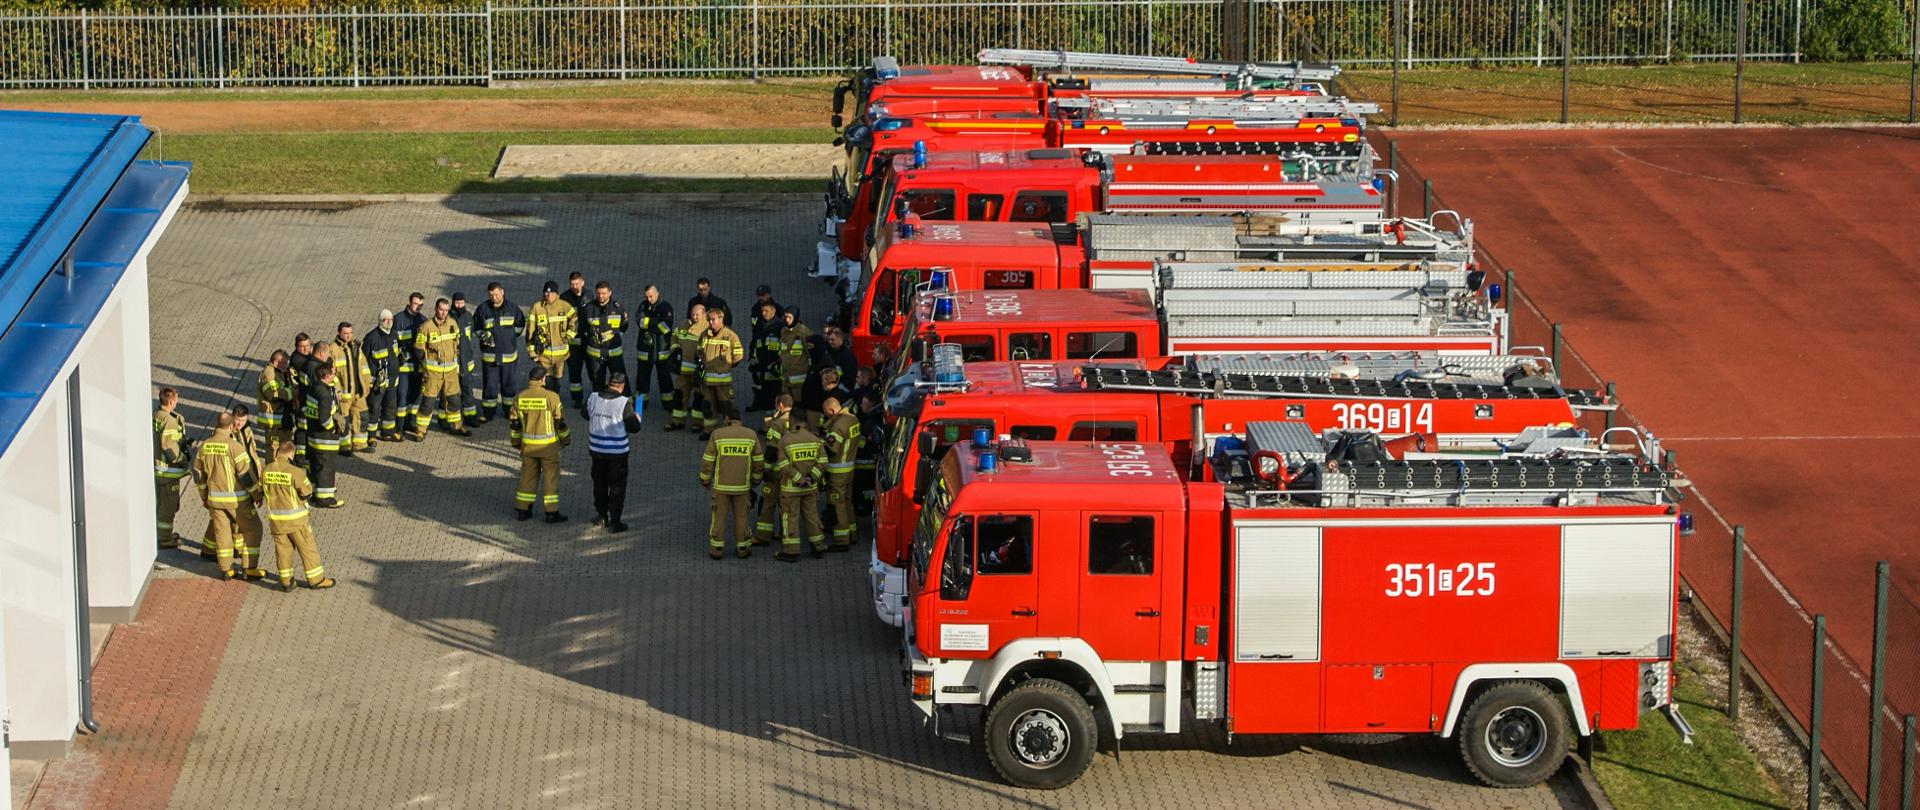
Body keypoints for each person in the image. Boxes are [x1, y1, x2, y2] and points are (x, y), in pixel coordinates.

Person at [193, 412, 262, 579]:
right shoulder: (234, 447)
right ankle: (249, 568)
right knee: (253, 529)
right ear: (231, 426)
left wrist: (204, 496)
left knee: (222, 533)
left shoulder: (205, 446)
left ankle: (226, 569)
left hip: (215, 499)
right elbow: (245, 475)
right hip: (237, 500)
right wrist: (256, 494)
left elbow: (198, 474)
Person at [260, 441, 335, 592]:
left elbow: (259, 490)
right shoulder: (295, 471)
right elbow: (307, 492)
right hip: (296, 521)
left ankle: (286, 582)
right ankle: (316, 580)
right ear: (290, 453)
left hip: (277, 521)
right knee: (307, 549)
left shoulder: (266, 470)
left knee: (282, 551)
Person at [698, 406, 762, 560]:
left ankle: (717, 549)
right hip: (742, 487)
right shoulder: (751, 435)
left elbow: (708, 460)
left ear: (726, 419)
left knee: (718, 518)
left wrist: (705, 480)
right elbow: (759, 461)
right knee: (742, 518)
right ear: (739, 420)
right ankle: (743, 549)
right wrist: (755, 479)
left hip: (721, 487)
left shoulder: (717, 435)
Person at [510, 366, 570, 523]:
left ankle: (523, 510)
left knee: (527, 477)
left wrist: (516, 443)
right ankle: (551, 512)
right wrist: (565, 439)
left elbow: (514, 425)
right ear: (543, 379)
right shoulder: (551, 397)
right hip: (548, 448)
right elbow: (560, 422)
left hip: (528, 447)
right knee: (550, 478)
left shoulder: (519, 397)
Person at [586, 372, 643, 532]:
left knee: (599, 484)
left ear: (608, 383)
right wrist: (637, 417)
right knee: (617, 487)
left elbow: (585, 414)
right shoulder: (623, 403)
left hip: (596, 450)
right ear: (622, 386)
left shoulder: (593, 398)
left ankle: (601, 514)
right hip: (617, 454)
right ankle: (615, 522)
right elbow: (634, 427)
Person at [412, 297, 471, 440]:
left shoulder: (452, 324)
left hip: (450, 373)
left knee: (454, 401)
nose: (444, 313)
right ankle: (420, 430)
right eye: (441, 310)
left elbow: (457, 344)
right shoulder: (426, 327)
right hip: (433, 374)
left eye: (446, 310)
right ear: (435, 309)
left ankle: (456, 426)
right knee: (428, 403)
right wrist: (426, 365)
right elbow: (419, 349)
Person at [772, 416, 826, 561]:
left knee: (790, 518)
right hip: (810, 488)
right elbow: (822, 461)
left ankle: (791, 551)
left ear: (792, 421)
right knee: (812, 517)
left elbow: (783, 464)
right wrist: (811, 478)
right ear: (805, 423)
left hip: (791, 490)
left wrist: (799, 480)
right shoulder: (815, 439)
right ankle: (818, 547)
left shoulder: (785, 440)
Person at [473, 282, 525, 425]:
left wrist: (508, 338)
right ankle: (488, 413)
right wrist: (484, 335)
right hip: (490, 357)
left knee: (509, 385)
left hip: (508, 357)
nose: (493, 297)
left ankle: (510, 412)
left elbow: (520, 326)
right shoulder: (482, 309)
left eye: (496, 294)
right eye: (490, 295)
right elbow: (476, 328)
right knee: (490, 385)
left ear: (502, 292)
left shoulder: (512, 308)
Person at [228, 404, 269, 572]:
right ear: (232, 417)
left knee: (238, 518)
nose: (239, 424)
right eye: (237, 421)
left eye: (242, 421)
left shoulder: (246, 431)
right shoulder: (228, 434)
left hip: (249, 480)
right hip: (238, 483)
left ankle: (236, 547)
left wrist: (259, 477)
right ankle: (246, 563)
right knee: (243, 521)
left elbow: (253, 455)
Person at [754, 394, 798, 545]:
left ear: (780, 405)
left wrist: (764, 471)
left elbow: (772, 452)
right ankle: (784, 533)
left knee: (767, 502)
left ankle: (762, 536)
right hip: (793, 471)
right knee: (785, 504)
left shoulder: (777, 424)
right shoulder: (798, 421)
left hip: (777, 472)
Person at [820, 396, 861, 551]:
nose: (826, 415)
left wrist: (820, 444)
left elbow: (832, 448)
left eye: (826, 412)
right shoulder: (853, 419)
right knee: (847, 502)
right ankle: (852, 533)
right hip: (849, 469)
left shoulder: (839, 426)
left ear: (832, 410)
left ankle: (842, 540)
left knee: (838, 505)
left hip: (837, 471)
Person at [579, 280, 628, 410]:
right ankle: (598, 407)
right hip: (595, 354)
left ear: (610, 293)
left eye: (604, 293)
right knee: (597, 383)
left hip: (614, 354)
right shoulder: (589, 308)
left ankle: (624, 406)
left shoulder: (618, 308)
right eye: (599, 293)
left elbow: (624, 326)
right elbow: (582, 329)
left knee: (621, 380)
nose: (601, 296)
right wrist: (592, 334)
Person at [303, 364, 346, 509]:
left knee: (315, 467)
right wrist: (333, 428)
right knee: (326, 468)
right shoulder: (325, 394)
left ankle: (316, 495)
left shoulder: (313, 388)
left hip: (314, 435)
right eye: (332, 374)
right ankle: (326, 499)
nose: (334, 376)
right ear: (326, 376)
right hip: (325, 438)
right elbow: (324, 418)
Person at [698, 306, 744, 438]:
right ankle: (709, 430)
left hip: (723, 382)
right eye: (709, 320)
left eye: (713, 320)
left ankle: (728, 430)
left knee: (727, 406)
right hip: (707, 381)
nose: (710, 322)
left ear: (721, 318)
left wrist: (727, 365)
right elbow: (699, 351)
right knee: (708, 406)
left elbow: (739, 354)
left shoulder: (730, 336)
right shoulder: (704, 335)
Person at [153, 387, 190, 550]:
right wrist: (182, 459)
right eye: (175, 401)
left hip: (159, 469)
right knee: (169, 505)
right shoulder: (168, 420)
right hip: (168, 471)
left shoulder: (157, 415)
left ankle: (160, 534)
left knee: (161, 503)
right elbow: (169, 446)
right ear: (170, 402)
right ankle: (164, 538)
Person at [632, 285, 675, 416]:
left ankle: (668, 405)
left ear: (657, 293)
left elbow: (665, 327)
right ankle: (639, 405)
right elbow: (640, 322)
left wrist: (649, 323)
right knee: (641, 382)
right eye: (646, 296)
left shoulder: (665, 307)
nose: (649, 299)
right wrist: (655, 322)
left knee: (665, 381)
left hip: (662, 351)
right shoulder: (643, 306)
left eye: (651, 296)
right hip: (645, 352)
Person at [332, 322, 375, 454]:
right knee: (342, 420)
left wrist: (368, 385)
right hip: (344, 395)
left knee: (362, 417)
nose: (348, 336)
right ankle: (344, 446)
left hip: (359, 392)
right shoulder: (333, 349)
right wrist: (337, 391)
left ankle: (360, 444)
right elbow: (331, 374)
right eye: (345, 333)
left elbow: (364, 367)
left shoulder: (356, 347)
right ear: (339, 333)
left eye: (350, 333)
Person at [665, 303, 706, 431]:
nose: (694, 317)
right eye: (693, 314)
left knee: (698, 398)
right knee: (679, 396)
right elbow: (674, 337)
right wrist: (675, 350)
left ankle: (697, 423)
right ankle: (677, 421)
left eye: (697, 315)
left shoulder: (707, 328)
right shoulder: (684, 324)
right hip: (682, 370)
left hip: (697, 372)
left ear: (704, 315)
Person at [527, 280, 576, 384]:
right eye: (546, 292)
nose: (548, 295)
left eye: (551, 292)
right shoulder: (536, 307)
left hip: (561, 356)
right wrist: (532, 352)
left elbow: (574, 320)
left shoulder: (565, 306)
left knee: (558, 381)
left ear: (556, 294)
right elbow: (530, 331)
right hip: (543, 355)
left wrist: (569, 336)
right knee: (546, 382)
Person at [362, 311, 401, 441]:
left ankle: (388, 432)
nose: (389, 322)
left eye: (390, 319)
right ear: (379, 321)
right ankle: (371, 435)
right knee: (374, 408)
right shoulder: (371, 338)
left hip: (392, 380)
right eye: (385, 320)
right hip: (377, 382)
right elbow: (363, 361)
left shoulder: (394, 335)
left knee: (390, 407)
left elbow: (397, 354)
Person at [394, 292, 428, 431]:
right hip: (403, 367)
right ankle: (399, 425)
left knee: (415, 397)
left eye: (420, 305)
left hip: (418, 366)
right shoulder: (398, 319)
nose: (417, 307)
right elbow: (392, 341)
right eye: (415, 304)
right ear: (409, 302)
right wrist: (399, 353)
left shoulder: (423, 321)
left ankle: (411, 422)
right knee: (402, 396)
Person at [256, 350, 297, 460]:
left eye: (286, 363)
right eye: (283, 363)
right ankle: (272, 470)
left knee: (286, 446)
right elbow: (274, 394)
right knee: (273, 448)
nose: (286, 365)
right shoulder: (268, 373)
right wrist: (293, 393)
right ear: (274, 362)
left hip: (285, 417)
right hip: (274, 420)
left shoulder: (284, 371)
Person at [449, 292, 482, 427]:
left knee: (468, 391)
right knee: (451, 393)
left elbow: (471, 335)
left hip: (466, 361)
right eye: (457, 303)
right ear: (453, 303)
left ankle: (470, 417)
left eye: (462, 303)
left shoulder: (468, 316)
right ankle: (448, 419)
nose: (460, 306)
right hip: (453, 362)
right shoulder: (448, 318)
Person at [560, 272, 590, 407]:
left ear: (583, 283)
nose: (574, 286)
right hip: (574, 343)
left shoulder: (590, 295)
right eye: (572, 284)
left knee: (594, 372)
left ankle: (596, 398)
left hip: (590, 342)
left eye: (577, 284)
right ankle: (577, 399)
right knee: (574, 372)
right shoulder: (565, 298)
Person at [288, 333, 318, 464]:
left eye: (308, 345)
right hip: (300, 400)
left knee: (307, 428)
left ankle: (305, 454)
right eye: (302, 346)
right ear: (296, 346)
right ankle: (299, 457)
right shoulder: (297, 359)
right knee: (302, 429)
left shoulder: (307, 357)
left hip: (306, 399)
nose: (306, 349)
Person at [749, 300, 783, 412]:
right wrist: (753, 357)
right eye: (762, 311)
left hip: (773, 362)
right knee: (761, 387)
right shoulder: (760, 323)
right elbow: (755, 341)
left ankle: (773, 415)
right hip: (761, 361)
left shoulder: (780, 326)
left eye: (766, 311)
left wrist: (779, 360)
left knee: (774, 391)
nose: (763, 313)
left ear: (773, 311)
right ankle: (761, 407)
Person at [778, 307, 812, 406]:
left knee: (798, 407)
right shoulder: (784, 331)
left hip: (798, 381)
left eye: (790, 317)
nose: (787, 320)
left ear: (796, 317)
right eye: (785, 317)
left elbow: (810, 353)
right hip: (785, 378)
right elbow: (783, 351)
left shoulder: (803, 332)